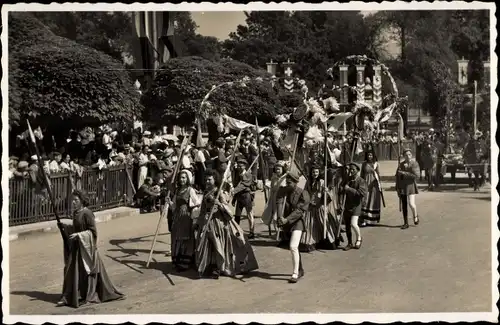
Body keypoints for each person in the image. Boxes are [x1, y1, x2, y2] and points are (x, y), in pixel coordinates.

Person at [56, 190, 124, 308]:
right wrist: (65, 227)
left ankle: (84, 295)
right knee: (70, 272)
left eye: (76, 200)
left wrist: (79, 235)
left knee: (86, 273)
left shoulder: (87, 213)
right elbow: (76, 228)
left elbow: (93, 232)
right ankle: (69, 296)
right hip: (77, 248)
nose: (73, 202)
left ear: (82, 201)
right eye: (72, 200)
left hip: (87, 249)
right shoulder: (76, 213)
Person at [195, 170, 259, 278]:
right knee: (209, 245)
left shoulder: (219, 192)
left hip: (219, 222)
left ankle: (220, 267)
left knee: (218, 244)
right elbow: (203, 209)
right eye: (206, 179)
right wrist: (199, 222)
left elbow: (228, 210)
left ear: (215, 180)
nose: (207, 181)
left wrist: (218, 203)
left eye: (209, 179)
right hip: (208, 222)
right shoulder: (206, 192)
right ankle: (212, 265)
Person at [276, 170, 310, 283]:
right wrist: (280, 217)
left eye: (290, 182)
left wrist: (287, 219)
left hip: (297, 223)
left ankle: (295, 273)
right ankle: (300, 269)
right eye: (287, 181)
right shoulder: (283, 191)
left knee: (293, 246)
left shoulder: (303, 193)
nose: (288, 184)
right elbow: (279, 203)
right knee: (295, 248)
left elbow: (300, 210)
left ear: (296, 182)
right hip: (286, 223)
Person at [165, 170, 201, 272]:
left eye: (184, 178)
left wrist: (191, 210)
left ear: (188, 179)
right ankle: (177, 260)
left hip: (186, 217)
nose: (182, 179)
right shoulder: (177, 191)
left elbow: (197, 203)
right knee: (177, 238)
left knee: (185, 239)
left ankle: (185, 263)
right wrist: (169, 202)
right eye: (181, 177)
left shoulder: (190, 190)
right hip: (177, 217)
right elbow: (174, 206)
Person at [340, 162, 367, 251]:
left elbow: (360, 194)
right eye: (350, 169)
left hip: (356, 205)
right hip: (346, 205)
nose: (351, 171)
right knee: (347, 225)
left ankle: (359, 238)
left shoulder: (361, 181)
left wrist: (349, 189)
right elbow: (341, 190)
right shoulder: (347, 180)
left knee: (353, 224)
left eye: (353, 169)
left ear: (357, 171)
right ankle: (350, 243)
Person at [395, 149, 420, 229]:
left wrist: (405, 172)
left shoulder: (414, 164)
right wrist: (397, 188)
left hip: (411, 186)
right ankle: (406, 223)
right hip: (402, 186)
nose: (408, 156)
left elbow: (416, 176)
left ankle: (415, 215)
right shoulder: (401, 165)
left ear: (411, 155)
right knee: (404, 205)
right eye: (406, 155)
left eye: (409, 154)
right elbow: (397, 177)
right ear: (403, 156)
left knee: (411, 204)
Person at [232, 158, 256, 238]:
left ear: (245, 166)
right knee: (237, 215)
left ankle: (252, 232)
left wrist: (234, 191)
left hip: (247, 196)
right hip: (239, 196)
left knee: (249, 214)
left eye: (241, 166)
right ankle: (236, 230)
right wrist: (234, 199)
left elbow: (243, 185)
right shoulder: (237, 175)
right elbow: (236, 185)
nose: (239, 168)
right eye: (238, 166)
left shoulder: (248, 175)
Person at [261, 161, 288, 232]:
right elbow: (272, 186)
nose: (277, 171)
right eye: (276, 169)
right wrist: (267, 186)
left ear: (283, 169)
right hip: (274, 198)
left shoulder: (286, 177)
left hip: (283, 199)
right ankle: (277, 231)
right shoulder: (274, 177)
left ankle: (282, 232)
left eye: (279, 169)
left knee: (281, 215)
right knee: (274, 216)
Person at [360, 150, 382, 226]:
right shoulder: (364, 164)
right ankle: (364, 219)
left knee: (373, 200)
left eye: (371, 155)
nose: (370, 156)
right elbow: (361, 175)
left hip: (374, 185)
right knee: (365, 200)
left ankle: (372, 220)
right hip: (366, 184)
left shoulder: (376, 164)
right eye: (368, 155)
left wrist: (379, 184)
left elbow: (378, 175)